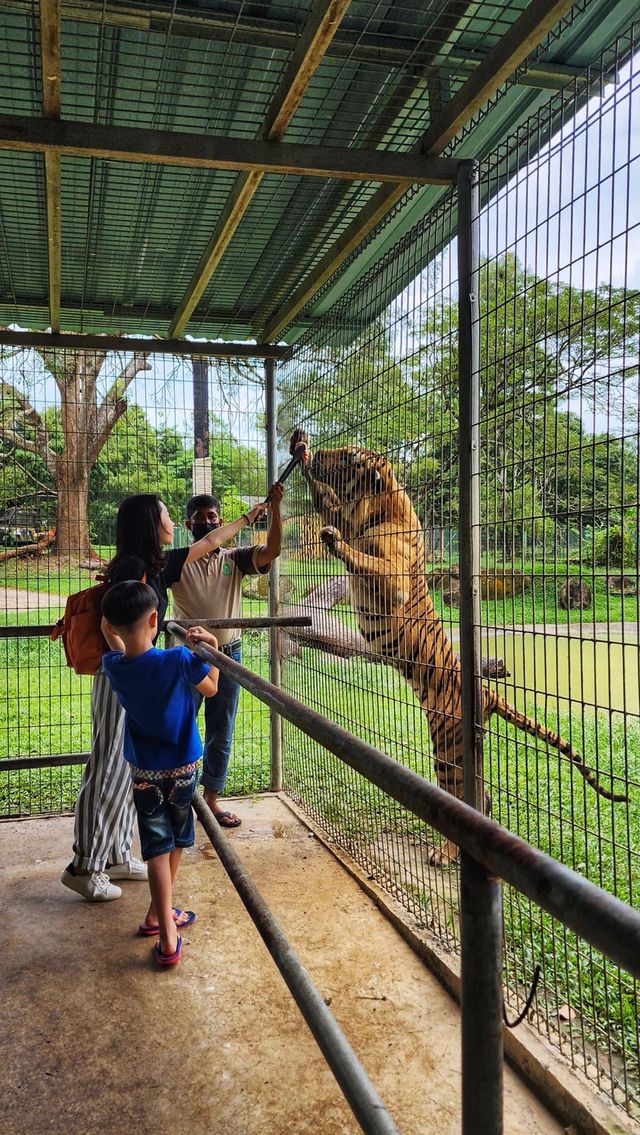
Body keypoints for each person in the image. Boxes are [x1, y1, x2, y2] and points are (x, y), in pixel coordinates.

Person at [61, 492, 266, 902]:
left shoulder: (153, 563)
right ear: (151, 524)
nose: (173, 521)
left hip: (133, 674)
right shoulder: (132, 567)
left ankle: (117, 853)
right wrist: (132, 666)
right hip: (122, 676)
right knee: (107, 766)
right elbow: (110, 622)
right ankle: (84, 864)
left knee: (125, 766)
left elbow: (208, 543)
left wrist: (247, 517)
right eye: (167, 516)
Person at [101, 581, 218, 965]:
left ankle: (158, 917)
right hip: (183, 767)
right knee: (179, 839)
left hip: (144, 771)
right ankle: (168, 935)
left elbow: (122, 649)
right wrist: (212, 646)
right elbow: (213, 688)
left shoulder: (114, 666)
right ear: (155, 619)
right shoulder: (179, 660)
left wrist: (111, 632)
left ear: (112, 627)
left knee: (155, 846)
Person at [170, 481, 285, 827]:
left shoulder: (234, 559)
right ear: (189, 525)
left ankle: (211, 799)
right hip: (189, 655)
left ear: (219, 521)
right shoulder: (177, 562)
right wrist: (248, 516)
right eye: (200, 517)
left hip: (229, 654)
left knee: (222, 728)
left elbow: (273, 550)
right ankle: (180, 797)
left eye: (212, 516)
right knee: (181, 725)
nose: (207, 521)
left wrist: (275, 509)